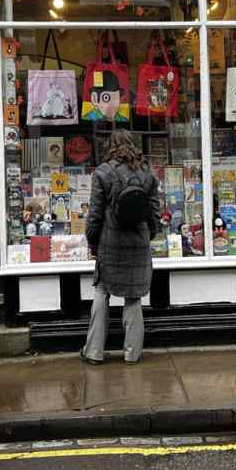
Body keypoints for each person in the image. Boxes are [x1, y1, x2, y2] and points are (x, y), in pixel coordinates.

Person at [80, 129, 161, 364]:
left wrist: (94, 241)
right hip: (138, 244)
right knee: (134, 298)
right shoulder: (147, 173)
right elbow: (153, 215)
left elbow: (94, 216)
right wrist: (147, 236)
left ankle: (94, 352)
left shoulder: (103, 173)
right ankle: (132, 354)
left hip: (110, 243)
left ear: (111, 146)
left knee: (102, 291)